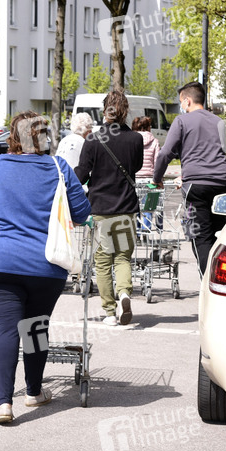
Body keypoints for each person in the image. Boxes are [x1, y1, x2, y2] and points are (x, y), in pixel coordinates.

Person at [0, 111, 91, 424]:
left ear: (13, 136)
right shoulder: (58, 167)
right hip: (44, 266)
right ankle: (34, 392)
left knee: (6, 329)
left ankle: (4, 404)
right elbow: (81, 212)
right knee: (35, 327)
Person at [75, 91, 144, 326]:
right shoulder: (135, 139)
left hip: (101, 209)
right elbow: (136, 167)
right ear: (125, 111)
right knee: (123, 257)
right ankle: (124, 293)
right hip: (126, 207)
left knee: (103, 261)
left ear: (105, 111)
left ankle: (109, 312)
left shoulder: (93, 140)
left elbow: (82, 174)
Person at [153, 81, 226, 276]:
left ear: (187, 101)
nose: (181, 106)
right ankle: (223, 279)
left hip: (196, 187)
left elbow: (165, 153)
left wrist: (157, 177)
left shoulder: (182, 121)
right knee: (220, 235)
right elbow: (219, 152)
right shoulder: (219, 122)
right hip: (221, 184)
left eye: (181, 102)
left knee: (201, 237)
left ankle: (208, 281)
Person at [132, 116, 159, 180]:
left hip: (134, 177)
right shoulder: (154, 141)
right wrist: (158, 178)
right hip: (150, 178)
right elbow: (157, 162)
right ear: (148, 127)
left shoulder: (131, 141)